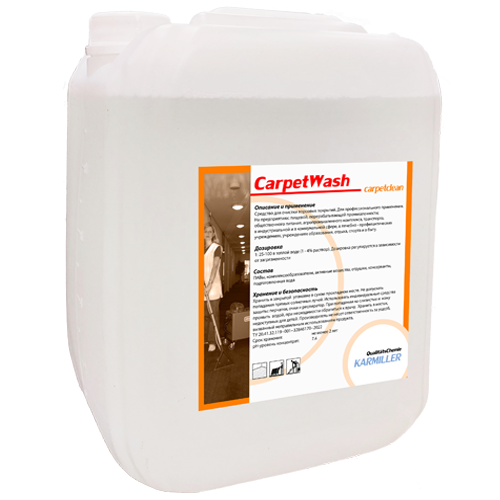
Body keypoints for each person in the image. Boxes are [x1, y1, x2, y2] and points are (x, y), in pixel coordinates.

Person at [204, 222, 223, 353]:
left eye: (210, 231)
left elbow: (215, 266)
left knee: (213, 315)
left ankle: (212, 342)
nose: (208, 233)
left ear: (213, 233)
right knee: (204, 315)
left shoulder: (217, 248)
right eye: (206, 231)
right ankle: (206, 338)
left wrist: (210, 284)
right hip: (202, 287)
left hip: (213, 287)